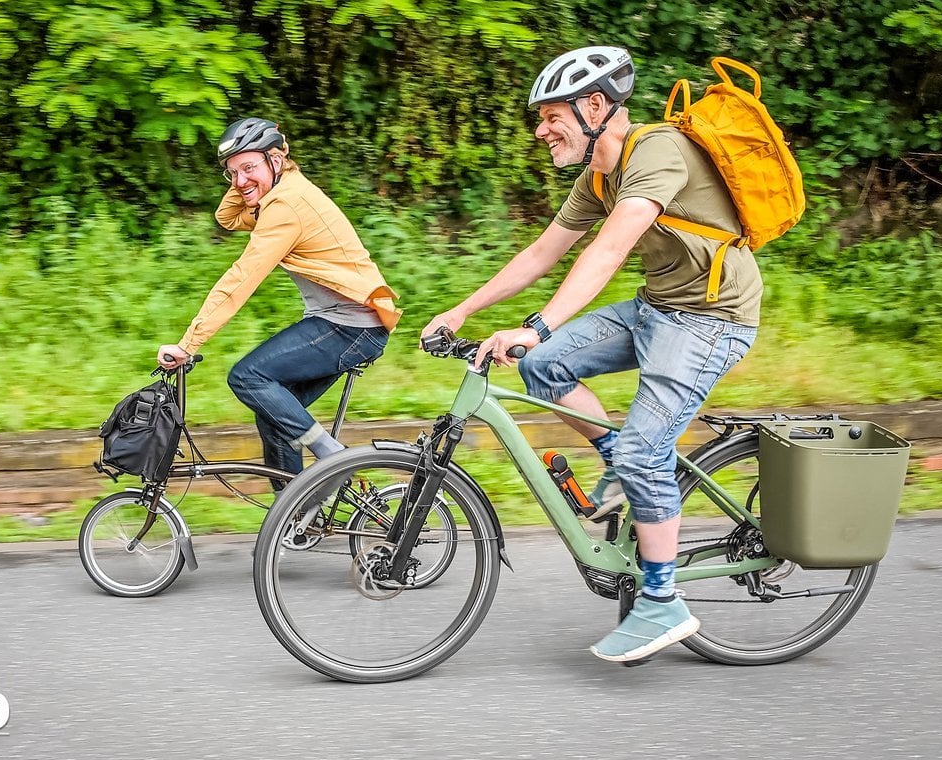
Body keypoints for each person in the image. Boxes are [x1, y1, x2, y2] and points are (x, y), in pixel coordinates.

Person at [421, 46, 761, 663]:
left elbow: (606, 251)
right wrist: (462, 310)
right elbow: (541, 254)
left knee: (643, 447)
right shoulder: (597, 176)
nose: (541, 130)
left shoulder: (658, 150)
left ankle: (662, 603)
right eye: (540, 118)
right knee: (543, 367)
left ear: (596, 107)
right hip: (658, 307)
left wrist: (538, 324)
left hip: (713, 319)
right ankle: (620, 475)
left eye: (551, 116)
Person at [158, 117, 400, 489]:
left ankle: (332, 454)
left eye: (249, 168)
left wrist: (188, 345)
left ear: (276, 159)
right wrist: (252, 176)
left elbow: (240, 280)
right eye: (232, 173)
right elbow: (227, 217)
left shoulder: (287, 206)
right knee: (274, 412)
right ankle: (298, 513)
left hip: (352, 325)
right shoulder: (279, 193)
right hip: (345, 323)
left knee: (247, 377)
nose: (239, 182)